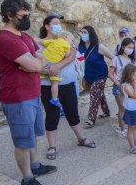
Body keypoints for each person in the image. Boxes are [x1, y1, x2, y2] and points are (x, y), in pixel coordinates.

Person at [0, 0, 56, 185]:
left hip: (32, 94)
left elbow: (41, 59)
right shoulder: (6, 38)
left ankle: (35, 165)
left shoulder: (25, 36)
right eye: (22, 16)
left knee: (32, 136)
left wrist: (36, 62)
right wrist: (35, 64)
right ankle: (27, 178)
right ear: (9, 15)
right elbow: (35, 65)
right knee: (23, 140)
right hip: (17, 97)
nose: (26, 18)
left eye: (28, 14)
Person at [39, 15, 96, 161]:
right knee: (52, 116)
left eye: (60, 23)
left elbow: (73, 56)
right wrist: (47, 71)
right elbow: (35, 65)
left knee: (73, 113)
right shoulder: (40, 44)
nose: (59, 25)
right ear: (47, 26)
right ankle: (52, 146)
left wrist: (56, 66)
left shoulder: (66, 40)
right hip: (47, 87)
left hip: (68, 84)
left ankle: (81, 138)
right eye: (55, 23)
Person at [78, 26, 113, 128]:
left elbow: (112, 57)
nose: (83, 34)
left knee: (94, 94)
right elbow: (79, 60)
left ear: (91, 34)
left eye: (85, 32)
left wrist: (113, 70)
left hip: (100, 75)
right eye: (82, 32)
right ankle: (106, 111)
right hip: (88, 75)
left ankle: (91, 119)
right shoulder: (81, 46)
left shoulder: (98, 46)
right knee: (99, 94)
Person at [39, 22, 71, 108]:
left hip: (43, 61)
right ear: (66, 37)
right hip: (53, 64)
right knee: (55, 83)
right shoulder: (67, 45)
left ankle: (36, 95)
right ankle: (54, 99)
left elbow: (42, 42)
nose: (72, 42)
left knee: (38, 80)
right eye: (71, 40)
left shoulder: (54, 41)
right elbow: (67, 55)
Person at [109, 37, 135, 138]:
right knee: (122, 108)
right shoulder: (116, 58)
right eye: (129, 47)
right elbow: (110, 74)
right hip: (119, 87)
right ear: (123, 46)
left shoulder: (130, 60)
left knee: (127, 107)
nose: (130, 49)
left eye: (132, 48)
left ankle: (125, 127)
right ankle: (123, 129)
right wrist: (118, 84)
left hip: (128, 87)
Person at [121, 64, 136, 155]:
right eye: (134, 75)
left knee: (134, 128)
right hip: (131, 110)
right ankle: (132, 147)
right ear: (128, 75)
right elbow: (135, 96)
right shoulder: (126, 86)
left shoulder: (132, 84)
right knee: (131, 129)